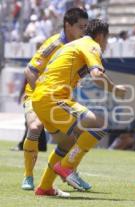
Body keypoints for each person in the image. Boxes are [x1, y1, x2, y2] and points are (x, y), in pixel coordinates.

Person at [32, 19, 127, 197]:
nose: (106, 45)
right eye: (107, 40)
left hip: (40, 98)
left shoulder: (74, 45)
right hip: (53, 97)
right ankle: (67, 167)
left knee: (66, 142)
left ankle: (45, 187)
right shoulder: (91, 45)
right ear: (100, 36)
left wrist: (111, 85)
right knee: (99, 123)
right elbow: (97, 75)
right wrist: (115, 89)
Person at [21, 8, 89, 191]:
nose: (84, 31)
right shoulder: (54, 44)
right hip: (36, 95)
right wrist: (41, 96)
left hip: (59, 100)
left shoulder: (81, 47)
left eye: (86, 27)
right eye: (81, 27)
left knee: (74, 137)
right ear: (68, 25)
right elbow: (29, 71)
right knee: (35, 127)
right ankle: (28, 176)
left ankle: (69, 171)